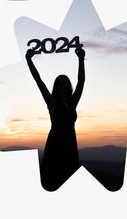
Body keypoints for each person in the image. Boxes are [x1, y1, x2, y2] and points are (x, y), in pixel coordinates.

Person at [25, 47, 85, 191]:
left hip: (70, 142)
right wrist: (29, 61)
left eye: (65, 83)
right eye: (60, 84)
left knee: (69, 176)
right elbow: (39, 81)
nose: (63, 86)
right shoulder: (52, 102)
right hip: (55, 143)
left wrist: (81, 60)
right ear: (56, 87)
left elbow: (81, 82)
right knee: (53, 177)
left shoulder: (73, 102)